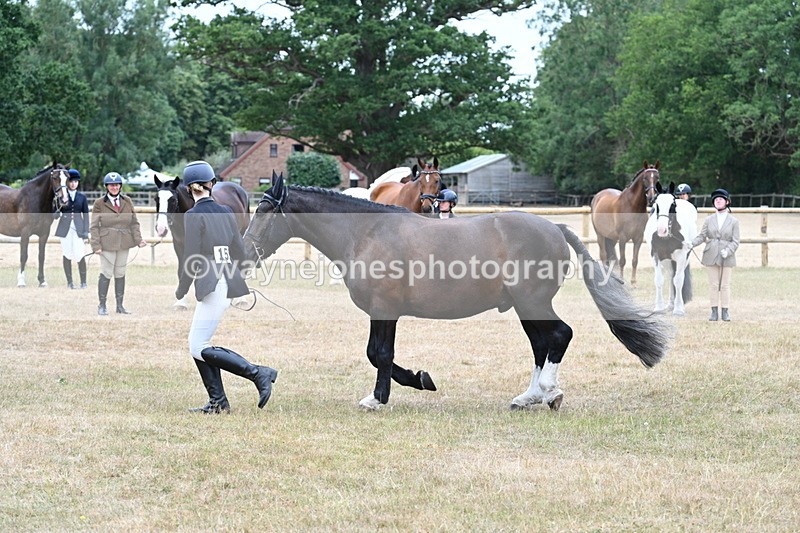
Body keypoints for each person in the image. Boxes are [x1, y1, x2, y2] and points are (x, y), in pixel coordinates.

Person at [175, 160, 278, 413]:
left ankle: (258, 373)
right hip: (227, 282)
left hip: (212, 284)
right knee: (199, 343)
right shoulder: (227, 213)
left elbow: (190, 257)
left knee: (198, 346)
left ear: (189, 189)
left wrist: (181, 290)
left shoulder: (192, 215)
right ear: (212, 184)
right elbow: (241, 254)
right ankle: (218, 402)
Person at [89, 172, 147, 315]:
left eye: (116, 185)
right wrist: (95, 245)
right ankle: (102, 305)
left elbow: (134, 222)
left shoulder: (127, 201)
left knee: (120, 273)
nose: (114, 187)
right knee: (106, 272)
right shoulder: (99, 204)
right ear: (107, 187)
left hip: (124, 242)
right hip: (107, 242)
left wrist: (138, 239)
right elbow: (94, 226)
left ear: (120, 186)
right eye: (111, 185)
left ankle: (120, 305)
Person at [692, 188, 740, 321]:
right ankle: (714, 311)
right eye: (716, 199)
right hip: (711, 253)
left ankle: (725, 311)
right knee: (713, 284)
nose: (718, 201)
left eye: (721, 199)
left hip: (727, 256)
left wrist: (728, 250)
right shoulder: (708, 220)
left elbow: (736, 241)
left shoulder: (734, 221)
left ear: (727, 202)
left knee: (725, 285)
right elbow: (702, 236)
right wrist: (691, 243)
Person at [54, 169, 90, 289]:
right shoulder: (61, 196)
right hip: (65, 229)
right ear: (67, 182)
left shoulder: (82, 197)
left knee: (80, 254)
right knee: (67, 254)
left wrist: (86, 231)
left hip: (78, 229)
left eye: (75, 181)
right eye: (71, 181)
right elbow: (55, 214)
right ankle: (69, 282)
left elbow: (86, 214)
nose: (73, 184)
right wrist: (56, 207)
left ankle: (83, 282)